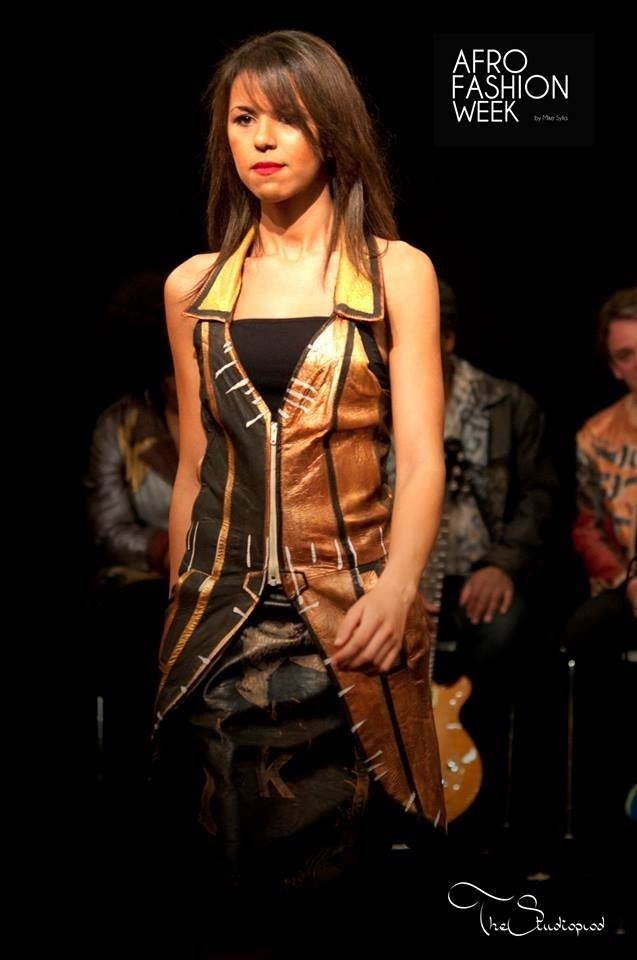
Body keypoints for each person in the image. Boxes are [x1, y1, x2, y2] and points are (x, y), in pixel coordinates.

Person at [151, 29, 446, 943]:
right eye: (244, 118)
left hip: (351, 617)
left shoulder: (395, 271)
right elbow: (194, 463)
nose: (262, 138)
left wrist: (398, 587)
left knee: (342, 887)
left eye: (285, 117)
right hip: (221, 625)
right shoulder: (194, 288)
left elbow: (421, 456)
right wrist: (177, 603)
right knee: (222, 877)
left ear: (332, 129)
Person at [417, 280, 558, 843]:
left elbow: (540, 497)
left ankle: (481, 799)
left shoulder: (505, 404)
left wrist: (502, 564)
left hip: (482, 571)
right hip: (403, 579)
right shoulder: (374, 403)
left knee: (502, 635)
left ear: (448, 338)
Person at [86, 271, 178, 814]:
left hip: (218, 577)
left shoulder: (231, 422)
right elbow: (107, 527)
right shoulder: (119, 425)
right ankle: (135, 795)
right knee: (141, 629)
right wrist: (162, 546)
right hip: (144, 585)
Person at [567, 286, 636, 849]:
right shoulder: (596, 435)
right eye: (626, 355)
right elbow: (587, 527)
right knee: (585, 629)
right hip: (627, 583)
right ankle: (604, 810)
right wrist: (626, 581)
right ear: (613, 366)